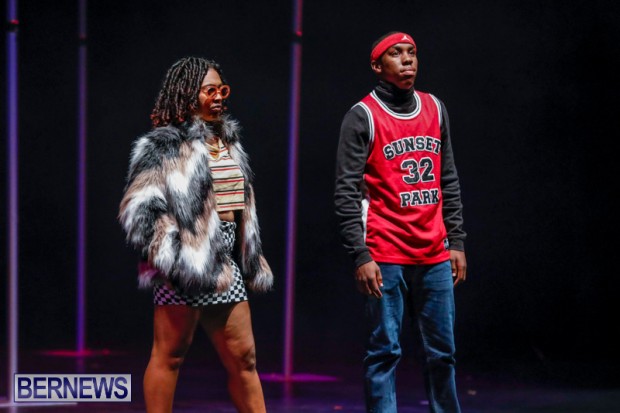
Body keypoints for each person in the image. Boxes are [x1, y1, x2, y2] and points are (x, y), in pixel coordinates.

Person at [118, 56, 273, 413]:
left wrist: (246, 253)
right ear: (187, 95)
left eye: (222, 90)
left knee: (245, 358)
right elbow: (138, 210)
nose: (218, 97)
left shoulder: (228, 142)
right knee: (170, 355)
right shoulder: (163, 146)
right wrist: (177, 257)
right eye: (209, 90)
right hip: (184, 265)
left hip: (226, 262)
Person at [334, 31, 467, 413]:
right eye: (396, 54)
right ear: (378, 66)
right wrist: (361, 255)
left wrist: (456, 241)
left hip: (434, 251)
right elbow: (345, 192)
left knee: (442, 353)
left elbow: (448, 178)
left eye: (412, 52)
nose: (407, 59)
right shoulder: (363, 116)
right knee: (384, 352)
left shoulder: (435, 108)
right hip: (385, 251)